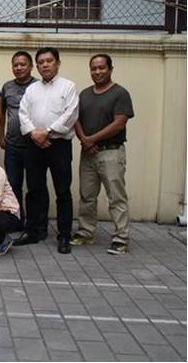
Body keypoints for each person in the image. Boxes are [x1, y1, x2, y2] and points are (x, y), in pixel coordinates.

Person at [16, 47, 79, 254]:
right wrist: (35, 133)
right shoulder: (32, 89)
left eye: (49, 61)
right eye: (41, 62)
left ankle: (64, 236)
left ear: (57, 63)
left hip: (58, 145)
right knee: (34, 189)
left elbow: (71, 115)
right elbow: (23, 113)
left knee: (62, 191)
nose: (45, 65)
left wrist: (49, 132)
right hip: (34, 144)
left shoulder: (68, 87)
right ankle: (35, 230)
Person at [72, 54, 134, 255]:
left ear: (110, 69)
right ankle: (86, 232)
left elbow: (119, 123)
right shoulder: (84, 94)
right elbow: (76, 119)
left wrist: (92, 139)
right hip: (88, 153)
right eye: (93, 69)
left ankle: (121, 238)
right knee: (87, 195)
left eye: (101, 68)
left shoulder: (120, 93)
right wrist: (85, 140)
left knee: (116, 196)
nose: (97, 72)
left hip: (111, 153)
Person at [0, 51, 37, 224]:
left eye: (23, 64)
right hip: (12, 145)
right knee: (13, 185)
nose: (19, 68)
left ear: (31, 66)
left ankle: (34, 223)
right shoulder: (7, 86)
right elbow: (2, 113)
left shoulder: (39, 85)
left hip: (34, 145)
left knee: (35, 187)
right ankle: (17, 220)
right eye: (16, 65)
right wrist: (0, 135)